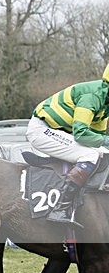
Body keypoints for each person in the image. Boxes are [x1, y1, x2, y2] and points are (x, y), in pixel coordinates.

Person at [26, 63, 109, 225]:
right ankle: (60, 209)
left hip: (59, 132)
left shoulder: (105, 105)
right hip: (42, 130)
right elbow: (81, 133)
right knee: (90, 154)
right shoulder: (93, 96)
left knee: (101, 152)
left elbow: (98, 137)